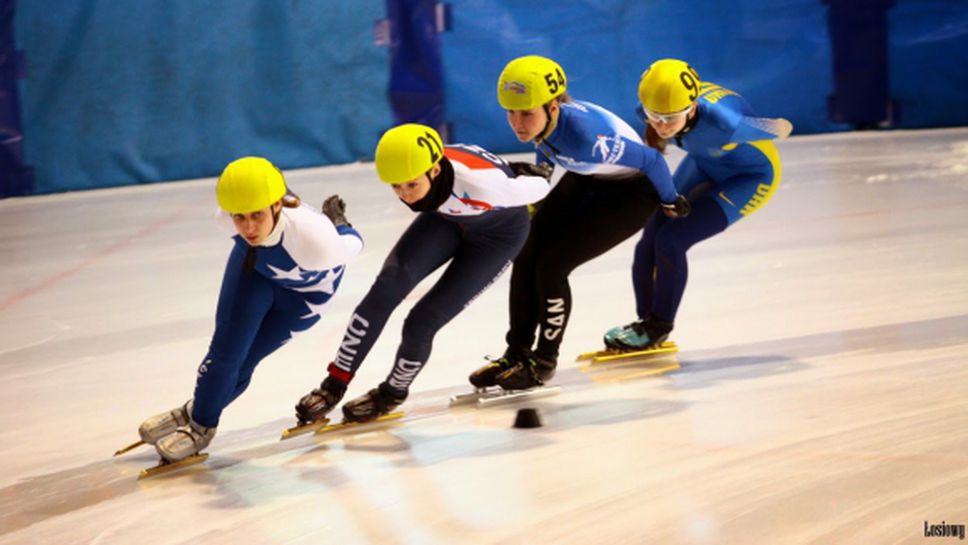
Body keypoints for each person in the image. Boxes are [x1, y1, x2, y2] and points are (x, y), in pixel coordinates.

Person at [295, 123, 551, 423]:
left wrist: (525, 177)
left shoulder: (483, 185)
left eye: (411, 185)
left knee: (421, 322)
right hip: (446, 220)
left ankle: (392, 393)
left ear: (434, 170)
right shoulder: (423, 172)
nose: (405, 196)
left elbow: (542, 186)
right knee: (385, 290)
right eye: (396, 186)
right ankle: (334, 384)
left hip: (497, 238)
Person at [469, 55, 690, 392]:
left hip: (633, 193)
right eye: (511, 113)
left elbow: (650, 158)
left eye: (526, 113)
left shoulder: (589, 140)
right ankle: (516, 353)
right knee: (525, 254)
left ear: (554, 106)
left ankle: (543, 362)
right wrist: (541, 181)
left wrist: (670, 199)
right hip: (588, 175)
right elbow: (548, 145)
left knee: (552, 266)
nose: (517, 123)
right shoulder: (548, 123)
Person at [136, 156, 363, 462]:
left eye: (256, 215)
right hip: (256, 270)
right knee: (225, 354)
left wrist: (340, 224)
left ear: (277, 205)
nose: (248, 227)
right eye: (239, 217)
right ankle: (202, 423)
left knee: (245, 361)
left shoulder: (315, 241)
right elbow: (242, 218)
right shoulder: (225, 217)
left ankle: (196, 413)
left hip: (302, 299)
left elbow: (353, 245)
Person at [603, 59, 791, 350]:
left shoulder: (725, 122)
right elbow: (655, 142)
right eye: (655, 116)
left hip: (750, 177)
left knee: (672, 240)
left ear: (691, 108)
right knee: (650, 236)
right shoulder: (648, 107)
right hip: (704, 163)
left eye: (671, 118)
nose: (661, 125)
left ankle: (660, 326)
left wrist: (769, 126)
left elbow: (779, 128)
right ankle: (645, 324)